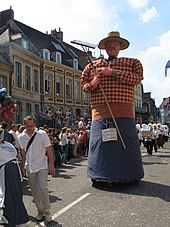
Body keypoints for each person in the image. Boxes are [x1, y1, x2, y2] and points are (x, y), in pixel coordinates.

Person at [81, 31, 144, 183]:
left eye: (114, 42)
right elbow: (84, 86)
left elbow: (136, 79)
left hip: (124, 112)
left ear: (120, 46)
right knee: (101, 145)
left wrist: (112, 72)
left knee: (125, 143)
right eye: (108, 43)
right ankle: (99, 174)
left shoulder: (133, 63)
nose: (111, 45)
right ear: (104, 48)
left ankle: (129, 175)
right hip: (100, 112)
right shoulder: (91, 66)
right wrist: (93, 84)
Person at [18, 116, 55, 222]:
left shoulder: (42, 134)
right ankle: (40, 210)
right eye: (27, 126)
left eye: (31, 125)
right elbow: (23, 153)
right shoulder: (21, 137)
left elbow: (49, 149)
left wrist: (51, 165)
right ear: (24, 125)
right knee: (34, 191)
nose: (29, 128)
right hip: (30, 167)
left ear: (34, 124)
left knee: (42, 188)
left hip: (42, 166)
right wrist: (23, 167)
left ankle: (47, 211)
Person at [0, 127, 29, 226]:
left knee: (8, 195)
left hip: (6, 171)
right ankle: (6, 216)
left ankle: (17, 219)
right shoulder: (8, 145)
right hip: (14, 170)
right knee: (15, 194)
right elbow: (15, 155)